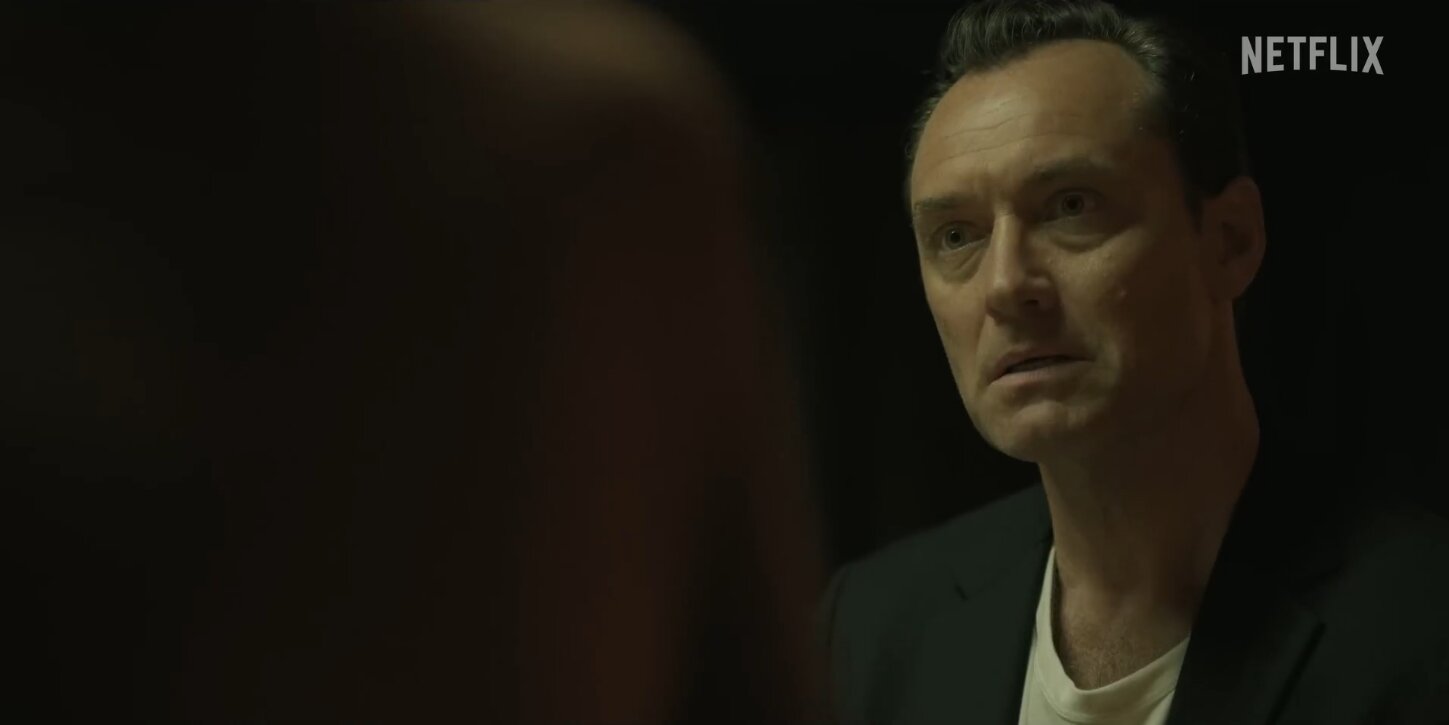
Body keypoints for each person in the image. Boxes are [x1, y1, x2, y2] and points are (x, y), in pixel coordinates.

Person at [817, 1, 1449, 723]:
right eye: (957, 235)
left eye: (1071, 206)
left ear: (1231, 241)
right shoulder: (867, 628)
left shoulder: (1421, 628)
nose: (1004, 285)